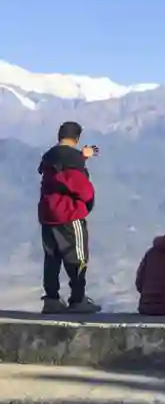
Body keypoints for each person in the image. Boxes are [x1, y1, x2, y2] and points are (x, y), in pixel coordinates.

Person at [37, 121, 101, 314]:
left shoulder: (49, 157)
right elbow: (80, 187)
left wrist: (81, 157)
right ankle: (78, 298)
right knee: (78, 257)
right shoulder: (73, 160)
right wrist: (88, 202)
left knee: (52, 257)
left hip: (48, 214)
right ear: (77, 138)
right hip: (70, 214)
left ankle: (51, 299)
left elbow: (60, 171)